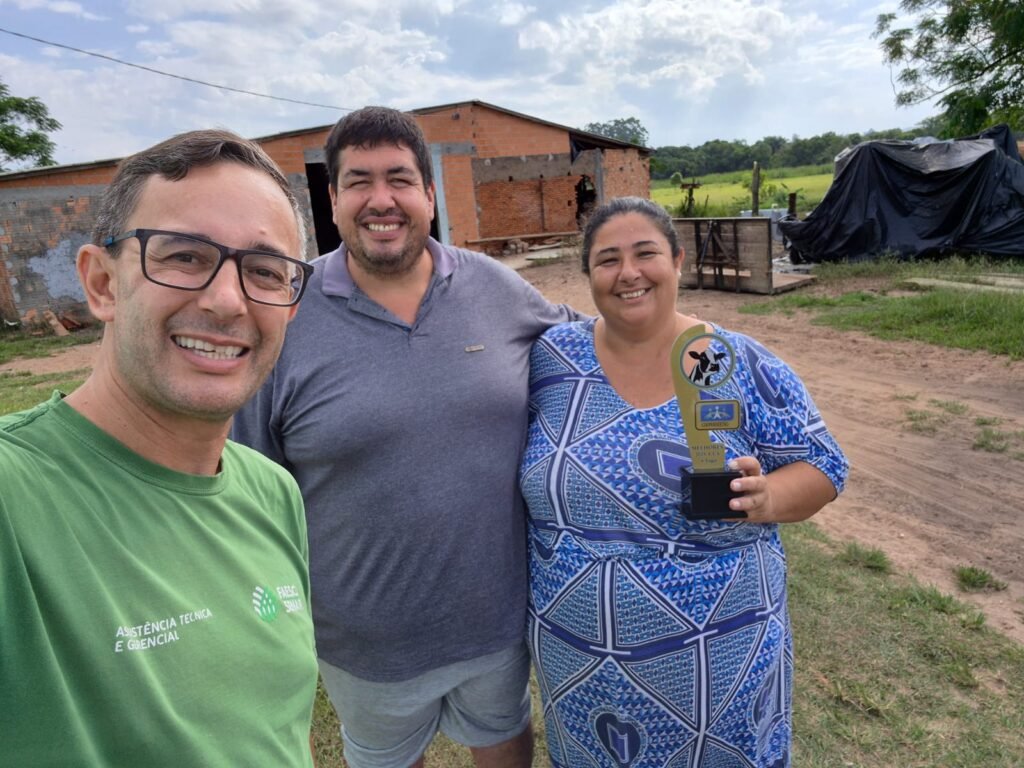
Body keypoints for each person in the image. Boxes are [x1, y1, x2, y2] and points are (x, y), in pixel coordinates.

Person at [231, 105, 579, 768]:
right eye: (359, 181)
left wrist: (700, 360)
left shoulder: (495, 289)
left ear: (428, 193)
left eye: (399, 179)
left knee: (504, 740)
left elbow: (596, 348)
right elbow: (247, 488)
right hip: (364, 641)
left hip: (495, 620)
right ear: (331, 200)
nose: (381, 200)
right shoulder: (284, 315)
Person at [0, 129, 319, 766]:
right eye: (184, 257)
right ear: (101, 283)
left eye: (264, 271)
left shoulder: (271, 490)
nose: (228, 301)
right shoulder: (15, 499)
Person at [520, 197, 848, 768]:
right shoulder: (552, 360)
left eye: (646, 253)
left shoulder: (732, 360)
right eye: (607, 260)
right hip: (583, 670)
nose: (629, 273)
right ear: (588, 276)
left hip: (720, 668)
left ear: (676, 260)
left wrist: (769, 496)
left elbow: (823, 465)